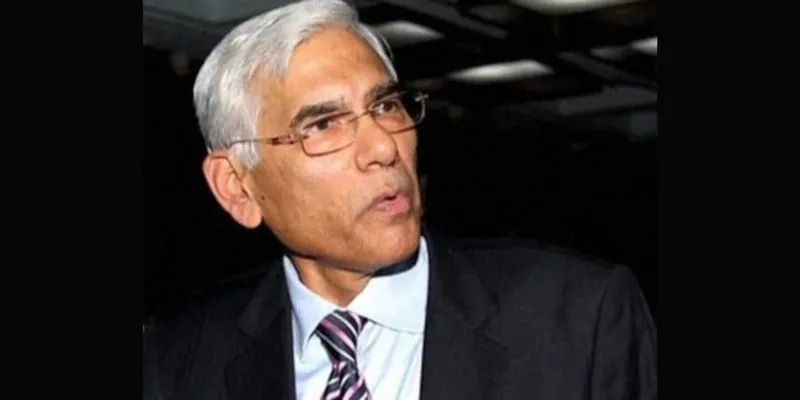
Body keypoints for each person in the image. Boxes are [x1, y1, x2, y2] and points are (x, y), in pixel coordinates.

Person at [142, 0, 657, 399]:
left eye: (386, 105)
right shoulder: (176, 357)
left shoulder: (578, 319)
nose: (384, 147)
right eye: (323, 125)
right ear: (237, 187)